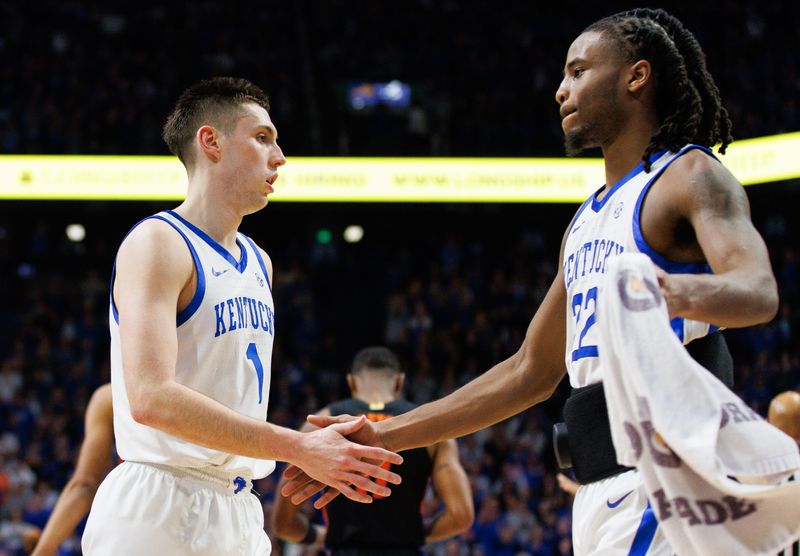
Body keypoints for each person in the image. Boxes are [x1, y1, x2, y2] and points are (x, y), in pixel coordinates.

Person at [283, 9, 779, 556]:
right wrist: (385, 435)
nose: (561, 91)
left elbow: (756, 291)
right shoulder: (587, 218)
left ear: (636, 77)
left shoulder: (689, 175)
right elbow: (528, 372)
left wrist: (663, 294)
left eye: (578, 72)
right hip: (602, 488)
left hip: (668, 475)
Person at [81, 77, 402, 556]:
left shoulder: (259, 261)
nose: (280, 157)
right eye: (262, 138)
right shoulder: (158, 243)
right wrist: (296, 446)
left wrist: (304, 445)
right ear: (210, 142)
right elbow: (150, 397)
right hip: (158, 503)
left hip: (237, 504)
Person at [272, 347, 474, 556]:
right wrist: (410, 534)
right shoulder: (428, 426)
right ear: (399, 382)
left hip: (346, 550)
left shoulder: (323, 422)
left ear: (351, 382)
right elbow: (461, 515)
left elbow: (283, 524)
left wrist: (326, 535)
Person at [32, 384, 114, 556]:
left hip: (137, 514)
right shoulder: (108, 398)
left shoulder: (110, 396)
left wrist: (41, 551)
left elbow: (84, 486)